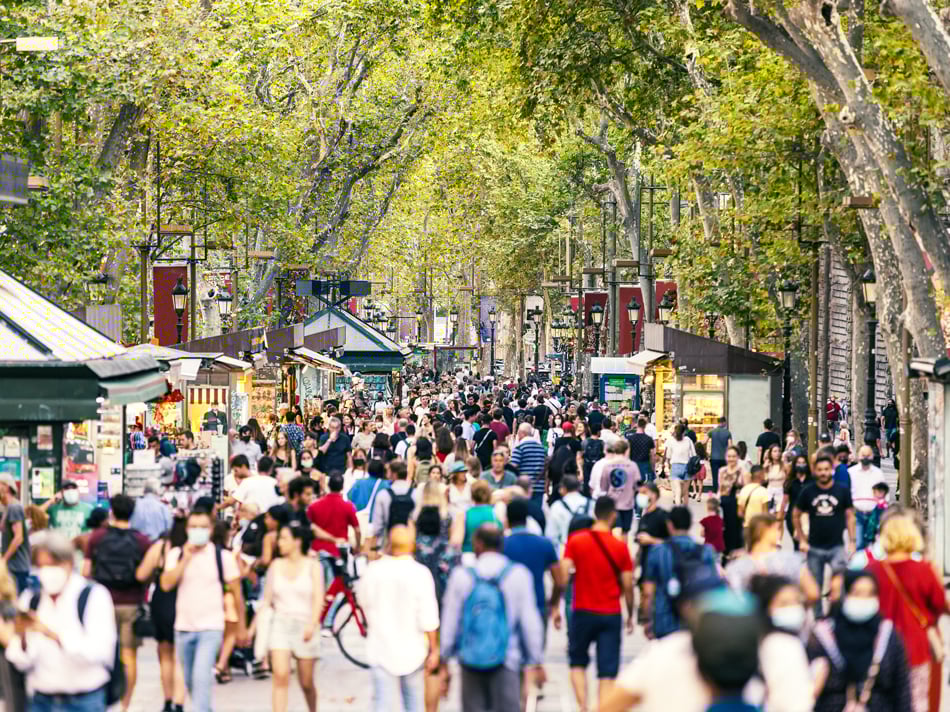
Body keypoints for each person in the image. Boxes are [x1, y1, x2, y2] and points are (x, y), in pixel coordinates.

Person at [0, 533, 117, 712]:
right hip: (41, 700)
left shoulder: (93, 596)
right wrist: (22, 636)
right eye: (41, 566)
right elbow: (21, 661)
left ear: (69, 563)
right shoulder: (32, 599)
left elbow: (99, 652)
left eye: (52, 565)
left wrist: (52, 634)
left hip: (84, 701)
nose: (47, 571)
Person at [440, 524, 545, 712]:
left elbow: (450, 621)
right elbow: (530, 623)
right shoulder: (518, 575)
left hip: (470, 659)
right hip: (507, 659)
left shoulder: (462, 576)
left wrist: (445, 658)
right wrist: (535, 660)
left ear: (478, 544)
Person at [160, 508, 247, 712]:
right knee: (190, 680)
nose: (198, 531)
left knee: (201, 677)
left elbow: (237, 593)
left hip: (211, 627)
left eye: (202, 527)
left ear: (210, 530)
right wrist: (185, 560)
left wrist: (241, 627)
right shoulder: (177, 554)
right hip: (183, 628)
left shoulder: (222, 557)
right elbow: (166, 584)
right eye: (193, 527)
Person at [867, 514, 947, 712]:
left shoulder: (871, 570)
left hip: (879, 647)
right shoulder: (924, 569)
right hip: (916, 647)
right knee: (916, 701)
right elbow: (940, 604)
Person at [562, 497, 634, 711]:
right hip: (610, 613)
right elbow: (628, 585)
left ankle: (583, 706)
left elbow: (564, 575)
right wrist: (631, 613)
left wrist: (556, 603)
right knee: (607, 670)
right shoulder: (620, 547)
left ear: (595, 514)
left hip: (582, 610)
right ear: (613, 515)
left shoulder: (575, 541)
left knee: (577, 662)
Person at [360, 525, 440, 712]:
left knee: (383, 703)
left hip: (380, 648)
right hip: (413, 650)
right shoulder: (420, 573)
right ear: (411, 545)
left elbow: (363, 602)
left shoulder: (373, 571)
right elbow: (429, 617)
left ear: (388, 545)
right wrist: (434, 649)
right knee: (414, 704)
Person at [807, 570, 912, 712]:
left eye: (870, 594)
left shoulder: (887, 636)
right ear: (845, 595)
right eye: (857, 593)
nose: (864, 599)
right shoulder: (823, 638)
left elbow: (902, 691)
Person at [83, 494, 151, 712]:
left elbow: (85, 572)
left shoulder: (97, 537)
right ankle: (124, 705)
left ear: (111, 511)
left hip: (101, 603)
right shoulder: (142, 540)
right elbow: (147, 573)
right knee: (129, 655)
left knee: (101, 652)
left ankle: (104, 702)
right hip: (131, 603)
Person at [255, 521, 322, 712]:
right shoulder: (275, 565)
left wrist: (312, 623)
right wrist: (252, 628)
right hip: (280, 624)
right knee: (280, 675)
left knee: (306, 682)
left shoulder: (313, 566)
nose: (279, 543)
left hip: (305, 625)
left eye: (284, 539)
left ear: (297, 541)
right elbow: (267, 601)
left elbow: (318, 598)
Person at [135, 516, 187, 712]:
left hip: (163, 600)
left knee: (165, 654)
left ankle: (167, 701)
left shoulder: (162, 546)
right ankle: (179, 703)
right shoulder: (193, 549)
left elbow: (141, 574)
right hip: (187, 600)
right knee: (180, 657)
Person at [643, 506, 719, 640]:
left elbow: (648, 592)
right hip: (696, 621)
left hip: (665, 620)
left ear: (670, 525)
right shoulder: (706, 551)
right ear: (690, 524)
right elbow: (713, 589)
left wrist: (647, 619)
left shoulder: (658, 551)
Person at [794, 455, 856, 617]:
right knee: (815, 588)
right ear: (815, 471)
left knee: (839, 585)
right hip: (814, 547)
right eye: (820, 470)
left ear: (832, 471)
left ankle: (838, 617)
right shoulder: (808, 491)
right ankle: (818, 620)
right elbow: (795, 514)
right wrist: (801, 539)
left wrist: (852, 541)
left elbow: (850, 516)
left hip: (837, 546)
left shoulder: (842, 490)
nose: (823, 473)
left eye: (826, 469)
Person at [725, 514, 820, 604]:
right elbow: (813, 593)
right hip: (786, 616)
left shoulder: (736, 566)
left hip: (751, 618)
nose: (779, 532)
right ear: (765, 531)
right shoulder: (792, 559)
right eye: (777, 529)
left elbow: (733, 599)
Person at [503, 498, 565, 634]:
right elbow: (560, 582)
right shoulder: (544, 544)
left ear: (507, 518)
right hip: (537, 606)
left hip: (507, 608)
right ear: (527, 517)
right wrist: (553, 604)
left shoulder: (500, 545)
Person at [592, 439, 640, 536]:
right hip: (627, 504)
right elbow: (637, 486)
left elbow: (603, 488)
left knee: (612, 532)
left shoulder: (607, 466)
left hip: (612, 505)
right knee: (625, 533)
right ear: (626, 450)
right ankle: (622, 550)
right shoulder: (632, 465)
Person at [306, 473, 360, 559]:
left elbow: (308, 528)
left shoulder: (314, 506)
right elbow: (357, 530)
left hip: (317, 552)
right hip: (339, 551)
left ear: (328, 485)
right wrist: (357, 548)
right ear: (342, 487)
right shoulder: (348, 507)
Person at [369, 460, 416, 550]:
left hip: (388, 544)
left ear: (393, 474)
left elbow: (377, 526)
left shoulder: (383, 495)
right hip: (410, 543)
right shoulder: (416, 494)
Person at [848, 445, 885, 549]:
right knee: (859, 543)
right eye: (863, 455)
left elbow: (884, 493)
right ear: (858, 456)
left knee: (872, 544)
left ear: (872, 456)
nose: (865, 458)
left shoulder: (878, 473)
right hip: (857, 514)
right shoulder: (851, 473)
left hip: (874, 514)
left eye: (868, 455)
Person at [0, 474, 29, 593]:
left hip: (17, 567)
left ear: (6, 487)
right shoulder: (6, 508)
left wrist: (4, 560)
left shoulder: (14, 508)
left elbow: (18, 537)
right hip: (12, 567)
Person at [718, 445, 746, 557]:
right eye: (729, 456)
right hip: (724, 503)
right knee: (725, 530)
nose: (731, 459)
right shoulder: (722, 471)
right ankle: (726, 555)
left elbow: (746, 489)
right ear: (726, 457)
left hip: (736, 504)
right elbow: (720, 489)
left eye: (734, 456)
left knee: (736, 530)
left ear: (738, 457)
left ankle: (736, 555)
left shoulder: (742, 471)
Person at [461, 480, 502, 557]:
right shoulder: (496, 513)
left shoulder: (464, 514)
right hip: (492, 556)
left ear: (472, 494)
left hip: (469, 557)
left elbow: (456, 542)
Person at [510, 423, 548, 504]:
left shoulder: (519, 448)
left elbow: (513, 467)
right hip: (539, 486)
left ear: (522, 433)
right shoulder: (541, 448)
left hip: (523, 487)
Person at [664, 423, 696, 506]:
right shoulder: (688, 440)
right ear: (684, 432)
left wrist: (667, 465)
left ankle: (678, 511)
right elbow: (693, 454)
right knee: (685, 492)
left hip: (675, 467)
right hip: (687, 467)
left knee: (677, 492)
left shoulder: (671, 440)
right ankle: (685, 511)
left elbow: (668, 456)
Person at [624, 417, 655, 484]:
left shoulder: (630, 439)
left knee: (635, 486)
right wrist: (653, 468)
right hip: (646, 465)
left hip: (634, 465)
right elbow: (652, 455)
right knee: (646, 487)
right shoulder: (649, 439)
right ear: (645, 426)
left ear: (637, 425)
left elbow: (627, 454)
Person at [706, 417, 732, 494]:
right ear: (724, 422)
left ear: (718, 422)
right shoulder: (728, 433)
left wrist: (706, 453)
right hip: (724, 459)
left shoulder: (711, 432)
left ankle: (715, 492)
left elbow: (704, 441)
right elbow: (730, 446)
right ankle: (723, 492)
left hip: (714, 458)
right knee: (724, 476)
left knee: (715, 476)